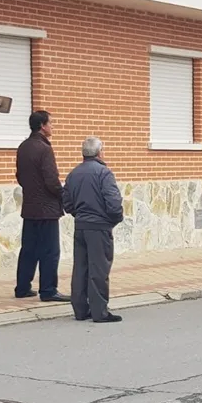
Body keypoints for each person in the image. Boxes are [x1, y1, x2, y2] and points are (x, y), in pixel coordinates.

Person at [63, 137, 124, 322]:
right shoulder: (104, 173)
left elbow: (67, 202)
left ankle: (80, 310)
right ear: (99, 152)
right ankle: (100, 312)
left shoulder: (73, 174)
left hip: (81, 225)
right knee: (99, 269)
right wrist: (114, 219)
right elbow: (113, 202)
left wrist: (79, 215)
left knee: (80, 268)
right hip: (99, 227)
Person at [14, 110, 69, 303]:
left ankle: (22, 287)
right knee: (50, 251)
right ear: (42, 126)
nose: (52, 126)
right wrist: (63, 195)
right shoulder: (44, 149)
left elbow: (20, 176)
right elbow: (51, 180)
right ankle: (48, 290)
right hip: (47, 209)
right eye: (50, 123)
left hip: (30, 207)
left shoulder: (23, 147)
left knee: (28, 249)